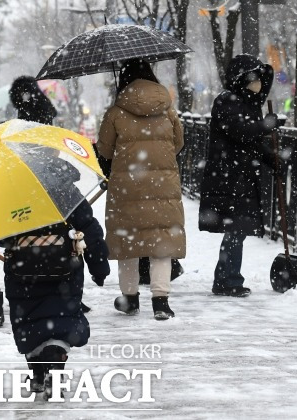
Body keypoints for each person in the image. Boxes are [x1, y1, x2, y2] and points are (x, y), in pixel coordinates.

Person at [0, 159, 109, 399]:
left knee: (28, 320)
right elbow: (90, 229)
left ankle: (37, 372)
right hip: (64, 269)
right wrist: (99, 267)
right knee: (62, 318)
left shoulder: (11, 192)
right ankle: (56, 357)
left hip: (22, 271)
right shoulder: (67, 192)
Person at [97, 58, 186, 320]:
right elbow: (178, 143)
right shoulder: (167, 108)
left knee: (129, 241)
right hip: (163, 184)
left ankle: (130, 298)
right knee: (162, 240)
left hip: (127, 185)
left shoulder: (116, 111)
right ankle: (161, 301)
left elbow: (104, 149)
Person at [198, 54, 278, 297]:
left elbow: (251, 142)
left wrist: (272, 159)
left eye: (260, 81)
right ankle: (228, 279)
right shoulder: (227, 101)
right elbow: (239, 132)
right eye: (254, 80)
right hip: (228, 177)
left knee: (237, 230)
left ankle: (226, 279)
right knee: (236, 229)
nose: (259, 85)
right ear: (242, 81)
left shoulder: (248, 104)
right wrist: (265, 126)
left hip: (239, 175)